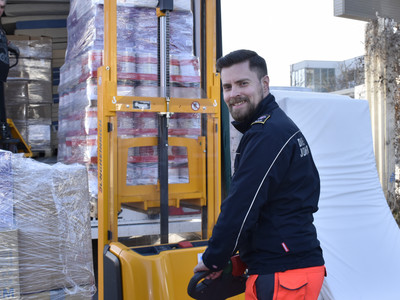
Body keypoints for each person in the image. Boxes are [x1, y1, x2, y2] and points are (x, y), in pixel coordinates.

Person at [193, 49, 326, 300]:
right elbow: (273, 207)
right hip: (286, 268)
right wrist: (232, 260)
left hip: (284, 272)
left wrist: (213, 259)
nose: (233, 94)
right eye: (227, 86)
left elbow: (241, 207)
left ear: (264, 83)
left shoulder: (268, 134)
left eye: (243, 83)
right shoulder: (271, 127)